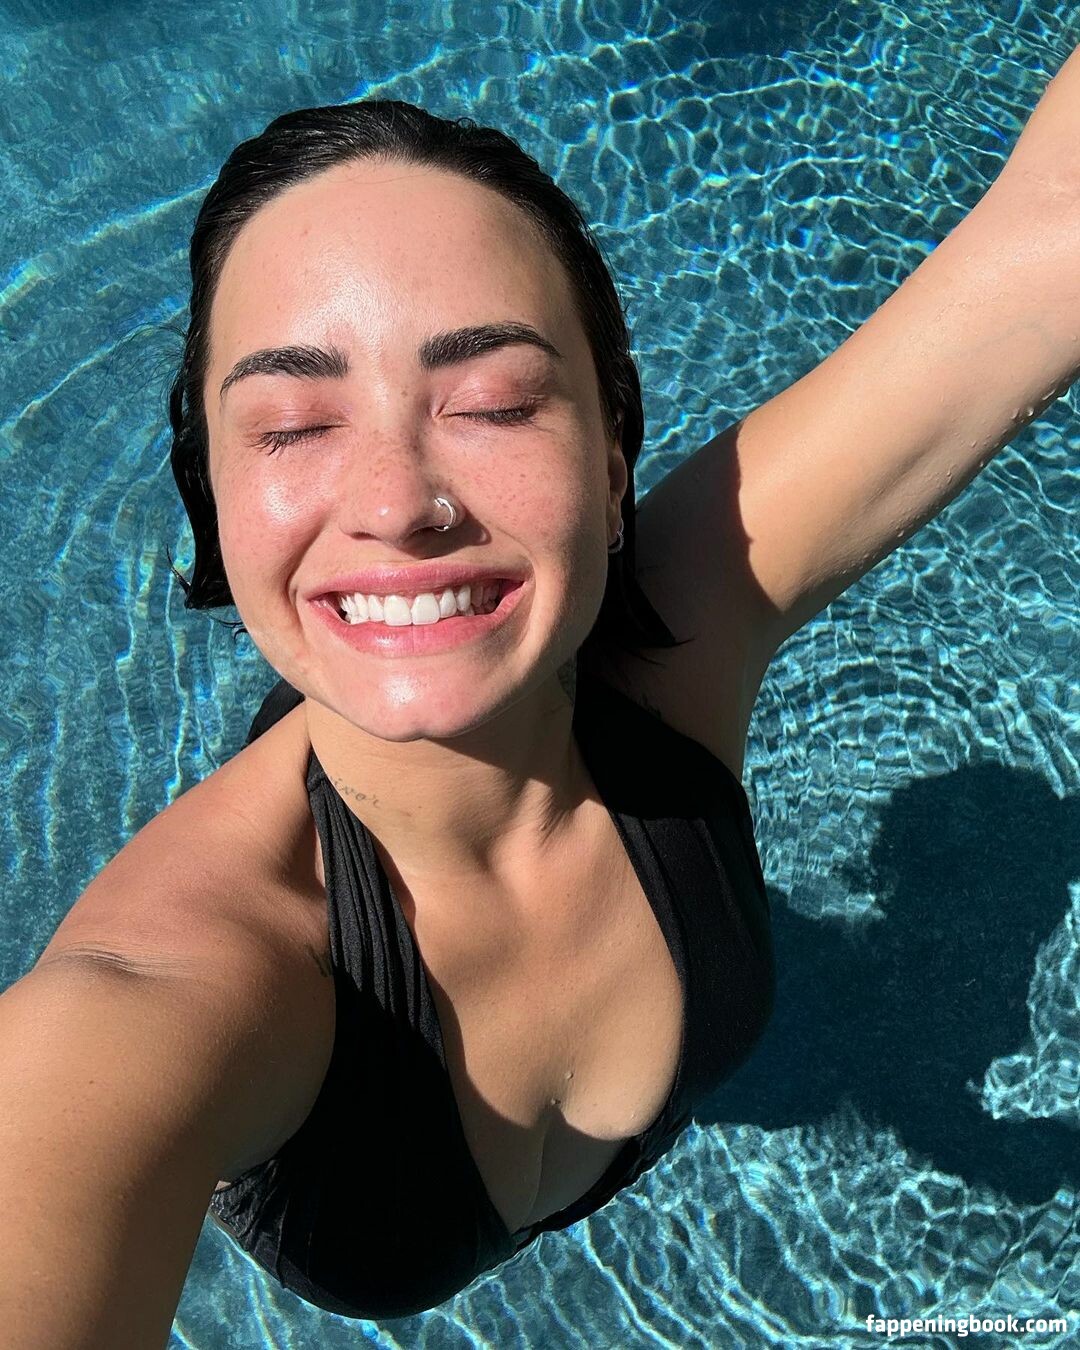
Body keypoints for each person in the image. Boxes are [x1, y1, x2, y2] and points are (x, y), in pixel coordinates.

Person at [2, 41, 1078, 1345]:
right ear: (214, 498)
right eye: (292, 423)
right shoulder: (165, 993)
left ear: (615, 458)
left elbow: (1054, 239)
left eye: (497, 401)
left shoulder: (672, 641)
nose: (397, 503)